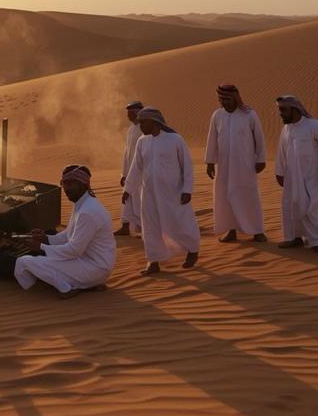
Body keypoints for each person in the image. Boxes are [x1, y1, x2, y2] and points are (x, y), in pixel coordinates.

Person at [15, 165, 116, 299]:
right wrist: (46, 238)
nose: (67, 188)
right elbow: (69, 234)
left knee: (24, 261)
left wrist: (41, 247)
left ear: (83, 184)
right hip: (93, 264)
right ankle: (85, 283)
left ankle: (66, 288)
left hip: (95, 268)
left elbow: (74, 250)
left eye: (71, 184)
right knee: (46, 260)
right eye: (64, 184)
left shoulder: (87, 212)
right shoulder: (84, 203)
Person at [122, 107, 200, 275]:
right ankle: (153, 260)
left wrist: (187, 189)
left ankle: (192, 249)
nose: (140, 125)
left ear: (154, 122)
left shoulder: (175, 139)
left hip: (173, 192)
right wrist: (128, 189)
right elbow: (136, 167)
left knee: (178, 221)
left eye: (143, 122)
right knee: (150, 226)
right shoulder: (142, 141)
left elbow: (187, 166)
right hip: (148, 192)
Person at [273, 95, 318, 255]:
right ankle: (294, 238)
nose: (280, 113)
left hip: (313, 176)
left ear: (294, 109)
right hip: (292, 177)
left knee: (313, 207)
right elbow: (281, 152)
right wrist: (280, 172)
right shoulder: (286, 129)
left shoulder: (314, 126)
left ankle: (317, 242)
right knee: (291, 206)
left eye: (283, 110)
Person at [205, 84, 267, 243]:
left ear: (235, 98)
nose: (224, 102)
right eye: (221, 99)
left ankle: (257, 231)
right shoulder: (217, 115)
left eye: (227, 99)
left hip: (244, 164)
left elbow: (259, 138)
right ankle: (230, 230)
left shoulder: (249, 114)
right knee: (225, 197)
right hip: (223, 165)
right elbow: (212, 139)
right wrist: (210, 162)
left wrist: (261, 159)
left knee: (248, 196)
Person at [115, 100, 144, 237]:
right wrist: (124, 174)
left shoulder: (145, 129)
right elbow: (127, 153)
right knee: (127, 200)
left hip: (142, 174)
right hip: (130, 173)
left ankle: (146, 229)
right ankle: (125, 227)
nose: (128, 116)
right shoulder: (131, 129)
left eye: (131, 112)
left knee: (141, 201)